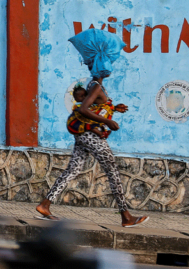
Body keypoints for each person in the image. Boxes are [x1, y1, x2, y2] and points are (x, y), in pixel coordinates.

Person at [36, 30, 148, 228]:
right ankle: (126, 216)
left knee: (73, 169)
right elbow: (85, 109)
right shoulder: (95, 85)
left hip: (84, 136)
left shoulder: (96, 86)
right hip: (91, 135)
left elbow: (96, 107)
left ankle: (45, 205)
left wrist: (114, 109)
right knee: (112, 171)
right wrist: (108, 123)